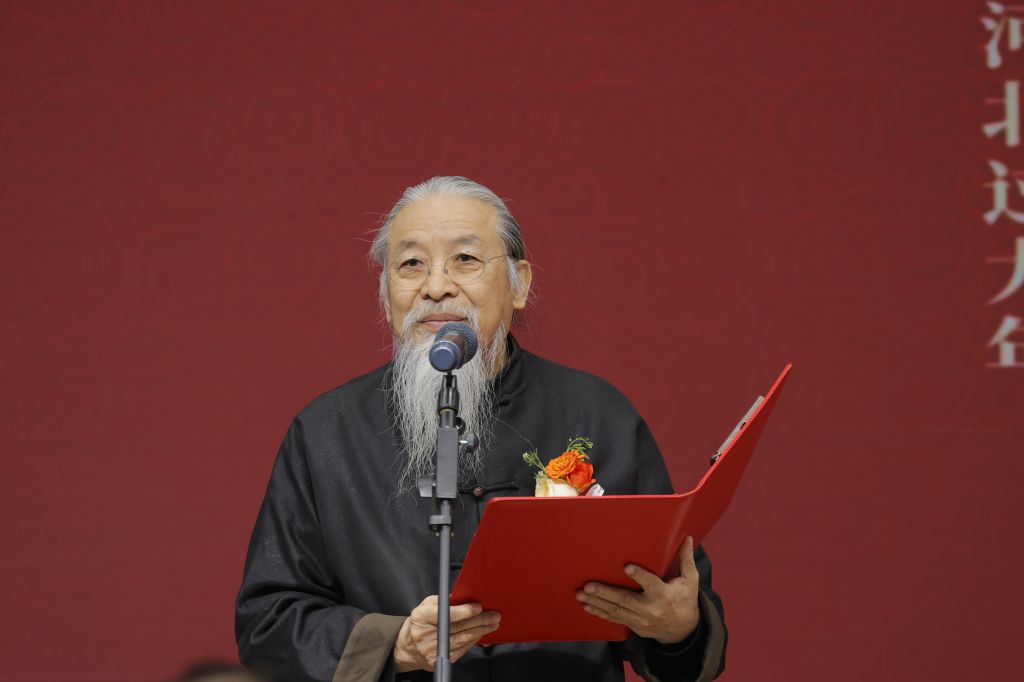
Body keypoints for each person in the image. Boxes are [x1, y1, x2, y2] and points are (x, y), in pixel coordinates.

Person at [235, 176, 727, 682]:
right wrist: (395, 645)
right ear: (385, 296)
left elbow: (679, 602)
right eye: (411, 264)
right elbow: (267, 624)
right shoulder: (326, 433)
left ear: (520, 284)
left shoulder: (597, 413)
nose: (436, 286)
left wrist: (678, 628)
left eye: (465, 259)